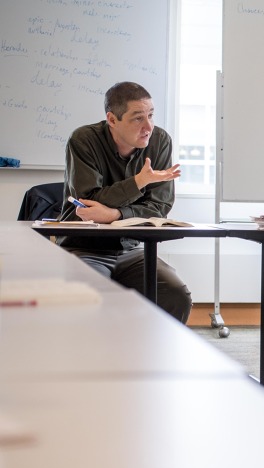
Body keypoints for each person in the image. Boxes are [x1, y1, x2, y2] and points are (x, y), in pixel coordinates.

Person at [57, 81, 192, 323]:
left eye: (151, 115)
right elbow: (88, 202)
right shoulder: (84, 139)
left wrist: (115, 215)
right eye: (137, 118)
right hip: (85, 248)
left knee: (175, 294)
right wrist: (139, 182)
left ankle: (156, 357)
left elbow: (158, 208)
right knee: (91, 296)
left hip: (131, 249)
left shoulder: (159, 141)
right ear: (112, 119)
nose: (148, 126)